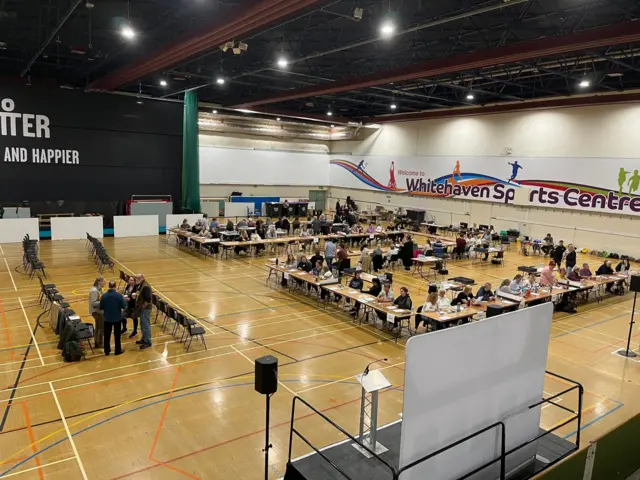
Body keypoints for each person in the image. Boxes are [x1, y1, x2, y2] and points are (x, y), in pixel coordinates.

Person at [99, 281, 126, 356]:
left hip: (107, 318)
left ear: (109, 286)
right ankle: (117, 350)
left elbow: (101, 307)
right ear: (115, 286)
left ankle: (106, 351)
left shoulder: (104, 296)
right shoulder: (119, 295)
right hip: (117, 318)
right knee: (117, 335)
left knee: (107, 335)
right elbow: (124, 306)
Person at [134, 274, 153, 350]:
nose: (137, 279)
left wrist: (142, 307)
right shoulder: (141, 284)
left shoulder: (145, 287)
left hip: (146, 309)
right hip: (143, 308)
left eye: (138, 278)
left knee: (145, 325)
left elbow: (148, 299)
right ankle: (144, 338)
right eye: (136, 278)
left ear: (142, 278)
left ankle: (148, 342)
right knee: (142, 324)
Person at [89, 277, 106, 349]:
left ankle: (97, 342)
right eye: (104, 281)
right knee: (101, 327)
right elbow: (93, 303)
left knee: (98, 327)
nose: (105, 283)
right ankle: (99, 343)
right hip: (97, 312)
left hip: (98, 311)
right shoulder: (94, 291)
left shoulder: (98, 289)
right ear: (99, 281)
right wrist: (103, 302)